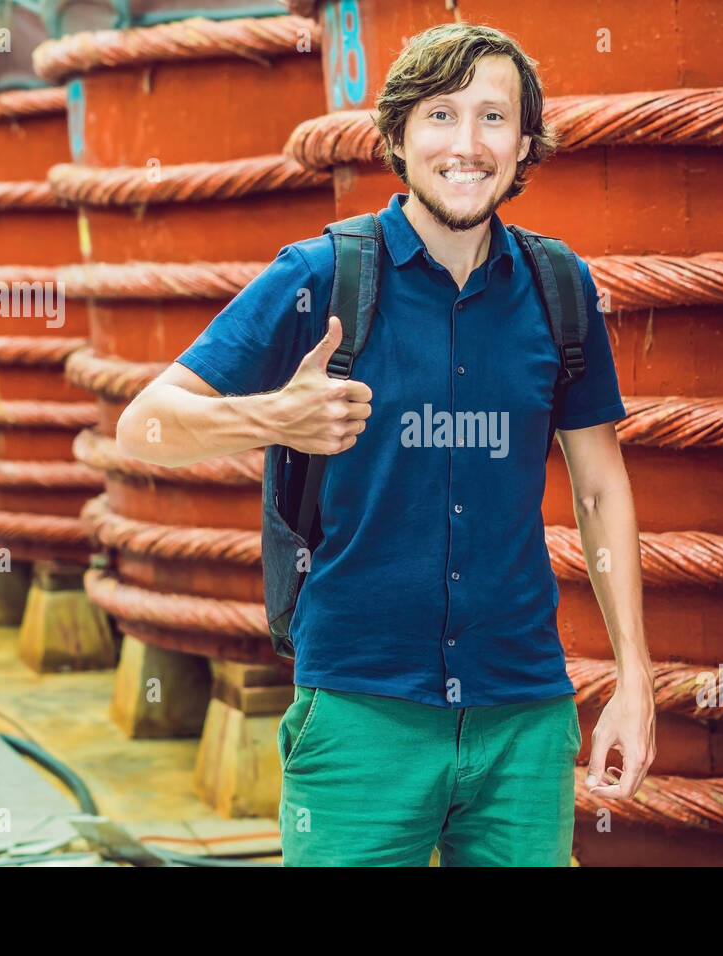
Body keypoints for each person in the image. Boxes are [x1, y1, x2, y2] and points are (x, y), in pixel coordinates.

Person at [117, 22, 655, 867]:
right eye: (441, 116)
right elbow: (143, 424)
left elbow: (598, 489)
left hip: (524, 716)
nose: (467, 144)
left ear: (524, 145)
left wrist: (634, 676)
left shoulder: (560, 287)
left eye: (493, 118)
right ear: (400, 136)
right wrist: (274, 419)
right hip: (361, 712)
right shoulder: (321, 275)